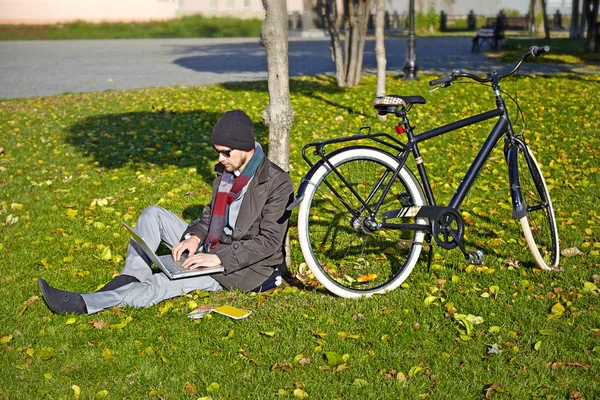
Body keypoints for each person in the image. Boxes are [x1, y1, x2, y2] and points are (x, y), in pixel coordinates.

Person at [38, 110, 294, 314]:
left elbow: (269, 243)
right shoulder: (227, 173)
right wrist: (194, 236)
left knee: (162, 282)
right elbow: (209, 216)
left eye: (226, 152)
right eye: (217, 152)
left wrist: (219, 259)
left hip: (242, 269)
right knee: (152, 214)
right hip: (214, 247)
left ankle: (83, 303)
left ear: (246, 148)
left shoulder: (276, 182)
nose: (220, 159)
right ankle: (131, 275)